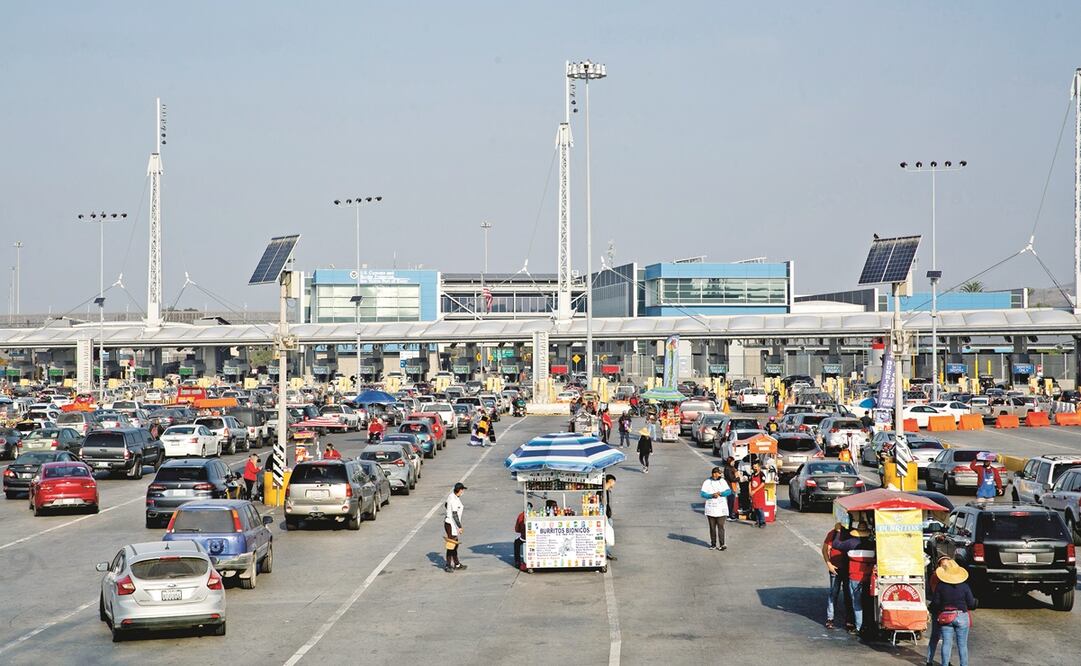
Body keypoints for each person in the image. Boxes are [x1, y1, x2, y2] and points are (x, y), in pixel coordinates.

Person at [832, 521, 875, 635]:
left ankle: (859, 626)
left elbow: (836, 544)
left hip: (855, 577)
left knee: (857, 603)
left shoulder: (851, 543)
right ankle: (869, 625)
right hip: (869, 578)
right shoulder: (873, 544)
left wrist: (838, 531)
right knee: (868, 602)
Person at [930, 558, 976, 666]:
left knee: (946, 643)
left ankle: (945, 664)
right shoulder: (964, 586)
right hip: (961, 616)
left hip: (946, 616)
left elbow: (936, 603)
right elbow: (971, 603)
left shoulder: (940, 586)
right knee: (962, 645)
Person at [822, 522, 854, 631]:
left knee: (848, 594)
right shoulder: (833, 533)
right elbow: (825, 549)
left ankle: (849, 619)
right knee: (833, 593)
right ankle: (830, 618)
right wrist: (829, 564)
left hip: (848, 569)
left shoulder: (851, 534)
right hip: (835, 568)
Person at [700, 467, 733, 550]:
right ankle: (713, 543)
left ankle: (722, 544)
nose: (718, 474)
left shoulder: (722, 481)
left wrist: (721, 493)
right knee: (712, 527)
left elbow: (729, 491)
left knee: (720, 526)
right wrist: (711, 495)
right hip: (711, 507)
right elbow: (703, 494)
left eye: (719, 473)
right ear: (713, 473)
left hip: (721, 507)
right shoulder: (707, 482)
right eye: (717, 473)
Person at [444, 482, 467, 572]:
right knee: (451, 545)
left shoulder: (452, 496)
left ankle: (457, 564)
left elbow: (446, 505)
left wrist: (448, 511)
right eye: (462, 490)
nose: (463, 492)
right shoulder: (453, 499)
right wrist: (460, 527)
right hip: (451, 524)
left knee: (454, 545)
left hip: (452, 523)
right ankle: (448, 565)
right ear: (460, 490)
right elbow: (454, 515)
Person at [748, 461, 768, 527]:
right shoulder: (752, 475)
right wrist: (750, 491)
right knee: (755, 509)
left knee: (760, 509)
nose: (754, 468)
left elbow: (762, 484)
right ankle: (757, 521)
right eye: (753, 467)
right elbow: (750, 483)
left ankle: (762, 522)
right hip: (754, 495)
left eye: (756, 467)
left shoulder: (761, 474)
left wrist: (755, 490)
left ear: (759, 467)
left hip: (759, 494)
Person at [514, 504, 531, 571]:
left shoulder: (521, 515)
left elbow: (517, 529)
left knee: (516, 542)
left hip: (524, 538)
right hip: (535, 537)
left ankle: (517, 562)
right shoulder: (533, 515)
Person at [604, 474, 617, 561]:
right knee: (607, 536)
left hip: (608, 516)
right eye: (614, 482)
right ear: (610, 481)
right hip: (605, 517)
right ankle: (606, 553)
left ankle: (606, 552)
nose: (614, 484)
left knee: (607, 536)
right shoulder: (602, 491)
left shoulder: (608, 491)